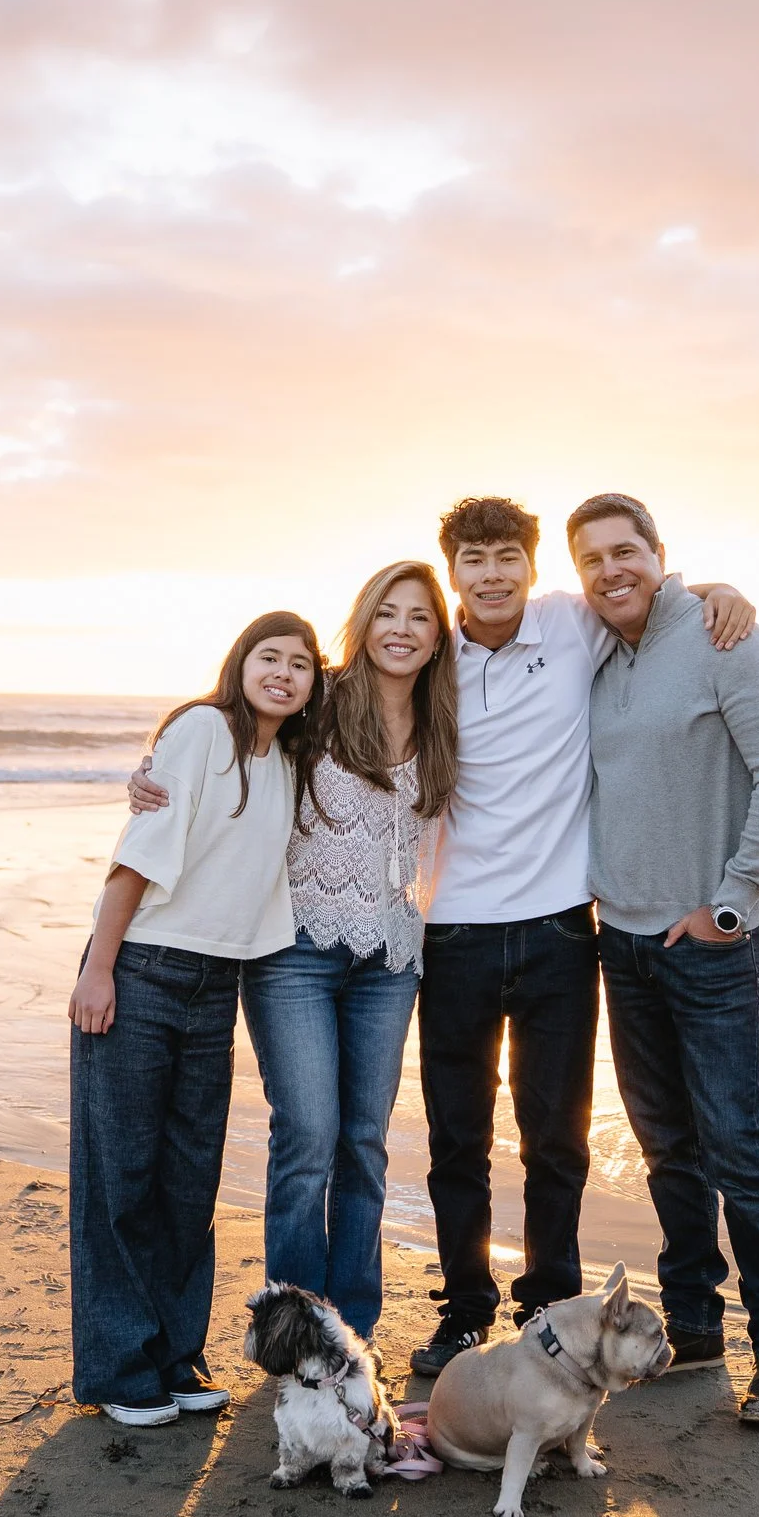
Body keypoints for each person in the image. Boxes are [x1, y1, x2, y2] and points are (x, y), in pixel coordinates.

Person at [402, 499, 754, 1377]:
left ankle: (547, 1303)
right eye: (472, 560)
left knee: (555, 1136)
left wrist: (723, 591)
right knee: (458, 1136)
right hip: (452, 935)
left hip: (562, 930)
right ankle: (464, 1306)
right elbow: (333, 719)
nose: (490, 575)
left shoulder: (571, 624)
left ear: (531, 566)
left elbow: (647, 594)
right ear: (452, 574)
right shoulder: (426, 657)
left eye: (505, 557)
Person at [566, 492, 759, 1426]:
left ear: (660, 556)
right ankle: (694, 1322)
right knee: (668, 1147)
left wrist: (733, 901)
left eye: (625, 552)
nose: (610, 570)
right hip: (622, 942)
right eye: (592, 559)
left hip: (713, 945)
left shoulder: (729, 642)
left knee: (737, 1147)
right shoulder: (595, 654)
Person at [68, 611, 323, 1427]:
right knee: (122, 1177)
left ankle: (175, 1356)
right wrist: (98, 968)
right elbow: (137, 851)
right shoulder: (202, 730)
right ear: (240, 662)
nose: (283, 672)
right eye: (269, 656)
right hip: (140, 970)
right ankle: (118, 1369)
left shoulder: (288, 759)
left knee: (188, 1182)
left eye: (301, 664)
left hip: (217, 987)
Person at [238, 560, 458, 1338]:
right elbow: (231, 722)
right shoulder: (321, 697)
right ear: (364, 622)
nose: (402, 628)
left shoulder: (443, 719)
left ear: (438, 635)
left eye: (419, 617)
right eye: (387, 613)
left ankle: (351, 1330)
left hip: (392, 958)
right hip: (294, 950)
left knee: (364, 1143)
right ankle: (294, 1331)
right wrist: (155, 771)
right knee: (308, 1134)